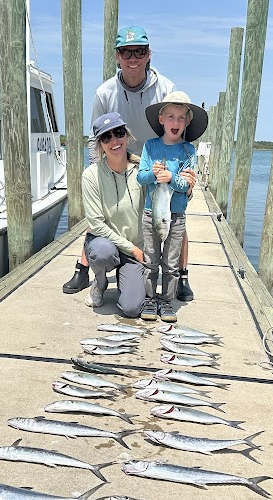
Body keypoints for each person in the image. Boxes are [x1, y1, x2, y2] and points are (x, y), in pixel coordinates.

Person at [62, 26, 195, 303]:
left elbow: (178, 128)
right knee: (100, 214)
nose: (133, 57)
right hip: (117, 154)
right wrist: (98, 172)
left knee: (173, 218)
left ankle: (182, 275)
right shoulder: (104, 92)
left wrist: (184, 176)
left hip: (156, 162)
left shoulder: (166, 87)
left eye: (140, 51)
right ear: (117, 56)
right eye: (126, 51)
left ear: (149, 55)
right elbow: (93, 137)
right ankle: (84, 267)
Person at [137, 91, 207, 322]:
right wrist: (154, 175)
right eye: (170, 116)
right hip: (152, 213)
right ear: (161, 119)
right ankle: (149, 298)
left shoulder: (189, 151)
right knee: (150, 259)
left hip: (176, 216)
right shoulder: (150, 146)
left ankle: (166, 301)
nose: (175, 122)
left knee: (171, 262)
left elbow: (185, 183)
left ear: (187, 121)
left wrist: (170, 178)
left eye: (180, 118)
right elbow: (141, 177)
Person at [81, 112, 145, 318]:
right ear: (100, 144)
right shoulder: (90, 175)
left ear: (127, 135)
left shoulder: (142, 170)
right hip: (107, 245)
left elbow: (165, 205)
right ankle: (99, 283)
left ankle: (128, 279)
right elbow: (96, 225)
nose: (114, 141)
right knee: (102, 252)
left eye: (118, 133)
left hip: (133, 249)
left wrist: (186, 190)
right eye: (106, 137)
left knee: (132, 309)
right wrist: (133, 249)